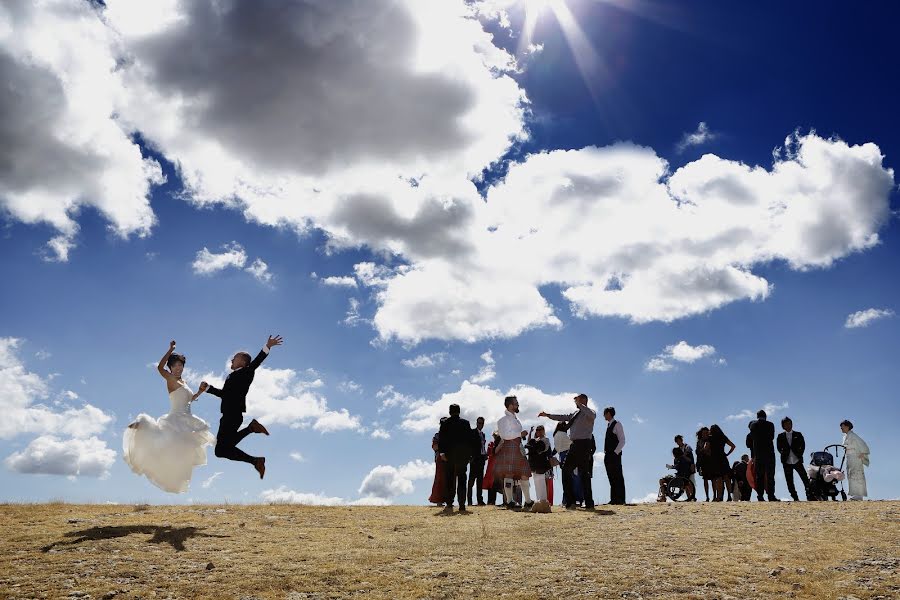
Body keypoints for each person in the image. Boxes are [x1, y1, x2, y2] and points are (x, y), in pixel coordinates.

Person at [123, 340, 216, 493]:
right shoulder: (171, 379)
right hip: (175, 418)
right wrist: (170, 349)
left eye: (181, 365)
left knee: (185, 450)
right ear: (171, 368)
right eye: (175, 366)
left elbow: (189, 399)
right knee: (168, 446)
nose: (179, 368)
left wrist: (200, 391)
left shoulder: (184, 382)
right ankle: (145, 431)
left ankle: (176, 477)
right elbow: (159, 367)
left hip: (187, 418)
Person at [200, 335, 282, 479]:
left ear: (243, 363)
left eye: (235, 357)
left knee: (221, 450)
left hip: (233, 415)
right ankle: (254, 443)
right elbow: (224, 394)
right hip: (227, 416)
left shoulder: (246, 372)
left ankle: (253, 439)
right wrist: (209, 388)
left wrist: (267, 347)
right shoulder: (231, 377)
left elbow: (256, 362)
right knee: (222, 451)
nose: (232, 359)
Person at [539, 393, 596, 509]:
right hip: (574, 445)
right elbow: (562, 417)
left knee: (584, 473)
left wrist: (580, 405)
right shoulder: (575, 414)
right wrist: (548, 415)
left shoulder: (590, 412)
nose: (575, 402)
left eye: (578, 400)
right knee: (566, 470)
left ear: (584, 400)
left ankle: (589, 502)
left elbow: (591, 415)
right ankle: (570, 501)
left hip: (584, 444)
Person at [495, 396, 534, 510]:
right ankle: (510, 501)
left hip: (518, 447)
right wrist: (519, 434)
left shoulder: (515, 419)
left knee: (524, 473)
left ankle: (527, 501)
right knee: (509, 474)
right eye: (516, 403)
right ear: (510, 405)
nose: (518, 405)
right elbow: (503, 435)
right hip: (509, 447)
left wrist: (520, 435)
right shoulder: (503, 420)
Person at [438, 404, 475, 513]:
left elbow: (442, 439)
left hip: (449, 456)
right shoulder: (465, 423)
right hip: (462, 456)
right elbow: (470, 440)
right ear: (459, 412)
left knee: (449, 479)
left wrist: (442, 453)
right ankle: (462, 505)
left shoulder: (445, 423)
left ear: (450, 412)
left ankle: (449, 503)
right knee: (462, 479)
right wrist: (470, 455)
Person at [747, 410, 779, 501]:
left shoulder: (753, 425)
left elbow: (752, 437)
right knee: (770, 475)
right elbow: (772, 437)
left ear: (757, 416)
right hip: (769, 453)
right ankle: (771, 496)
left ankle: (760, 496)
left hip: (758, 454)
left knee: (759, 476)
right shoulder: (770, 425)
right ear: (766, 416)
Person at [776, 417, 810, 501]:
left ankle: (809, 495)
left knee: (805, 478)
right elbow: (778, 448)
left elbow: (803, 445)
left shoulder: (798, 434)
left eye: (789, 423)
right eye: (786, 424)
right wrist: (784, 453)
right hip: (786, 461)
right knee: (789, 481)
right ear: (783, 426)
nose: (788, 425)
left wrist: (799, 454)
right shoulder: (780, 436)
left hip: (797, 460)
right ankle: (795, 497)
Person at [553, 421, 583, 506]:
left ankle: (566, 499)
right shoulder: (563, 434)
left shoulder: (555, 435)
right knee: (575, 478)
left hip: (561, 456)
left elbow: (556, 448)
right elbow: (571, 444)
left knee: (566, 479)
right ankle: (577, 498)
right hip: (569, 455)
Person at [841, 420, 870, 500]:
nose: (841, 428)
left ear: (847, 427)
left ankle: (859, 495)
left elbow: (863, 443)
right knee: (851, 475)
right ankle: (855, 494)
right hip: (849, 457)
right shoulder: (846, 436)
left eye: (842, 426)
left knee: (857, 474)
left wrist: (863, 453)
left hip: (855, 457)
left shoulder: (853, 436)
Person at [602, 406, 626, 505]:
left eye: (605, 413)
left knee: (618, 476)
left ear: (609, 413)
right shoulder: (608, 425)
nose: (604, 415)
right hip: (608, 455)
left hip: (614, 455)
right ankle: (614, 499)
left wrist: (615, 453)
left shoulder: (617, 424)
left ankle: (620, 499)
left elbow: (622, 440)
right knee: (611, 476)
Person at [707, 424, 736, 501]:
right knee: (727, 478)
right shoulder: (723, 437)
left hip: (715, 459)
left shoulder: (710, 438)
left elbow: (706, 448)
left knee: (718, 478)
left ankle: (719, 497)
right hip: (723, 458)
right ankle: (730, 496)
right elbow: (733, 446)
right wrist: (727, 454)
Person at [525, 425, 553, 505]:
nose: (538, 431)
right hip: (534, 465)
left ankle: (543, 502)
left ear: (544, 430)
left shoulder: (545, 440)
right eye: (537, 430)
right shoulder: (534, 440)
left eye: (540, 430)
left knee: (542, 483)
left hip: (542, 464)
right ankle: (539, 502)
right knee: (536, 483)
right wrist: (530, 433)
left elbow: (543, 449)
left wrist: (533, 447)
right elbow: (529, 443)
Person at [468, 417, 488, 506]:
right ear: (476, 423)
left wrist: (485, 455)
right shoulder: (472, 432)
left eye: (482, 423)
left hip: (481, 459)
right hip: (474, 460)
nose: (480, 425)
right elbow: (469, 445)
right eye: (479, 423)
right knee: (471, 481)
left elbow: (482, 446)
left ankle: (480, 500)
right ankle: (469, 501)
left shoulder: (483, 434)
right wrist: (470, 457)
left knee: (480, 481)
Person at [429, 418, 449, 505]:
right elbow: (434, 447)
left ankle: (447, 499)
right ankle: (438, 500)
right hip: (440, 459)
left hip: (448, 459)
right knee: (440, 478)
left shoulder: (449, 435)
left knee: (448, 479)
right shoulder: (437, 435)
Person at [674, 434, 697, 501]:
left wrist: (692, 465)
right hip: (682, 468)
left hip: (689, 467)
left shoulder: (687, 447)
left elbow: (691, 459)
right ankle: (689, 497)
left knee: (691, 483)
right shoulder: (677, 449)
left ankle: (693, 496)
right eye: (677, 441)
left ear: (681, 440)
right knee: (685, 483)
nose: (678, 442)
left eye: (679, 440)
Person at [482, 431, 502, 505]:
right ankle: (490, 501)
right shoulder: (491, 444)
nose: (496, 437)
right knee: (490, 483)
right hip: (491, 465)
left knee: (497, 483)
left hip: (497, 466)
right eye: (495, 436)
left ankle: (499, 501)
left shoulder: (500, 444)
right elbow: (489, 453)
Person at [695, 427, 712, 501]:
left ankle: (715, 496)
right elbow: (697, 452)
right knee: (705, 479)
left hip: (711, 461)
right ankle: (707, 496)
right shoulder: (699, 442)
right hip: (703, 462)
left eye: (706, 433)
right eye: (703, 433)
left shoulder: (711, 440)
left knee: (713, 479)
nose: (705, 434)